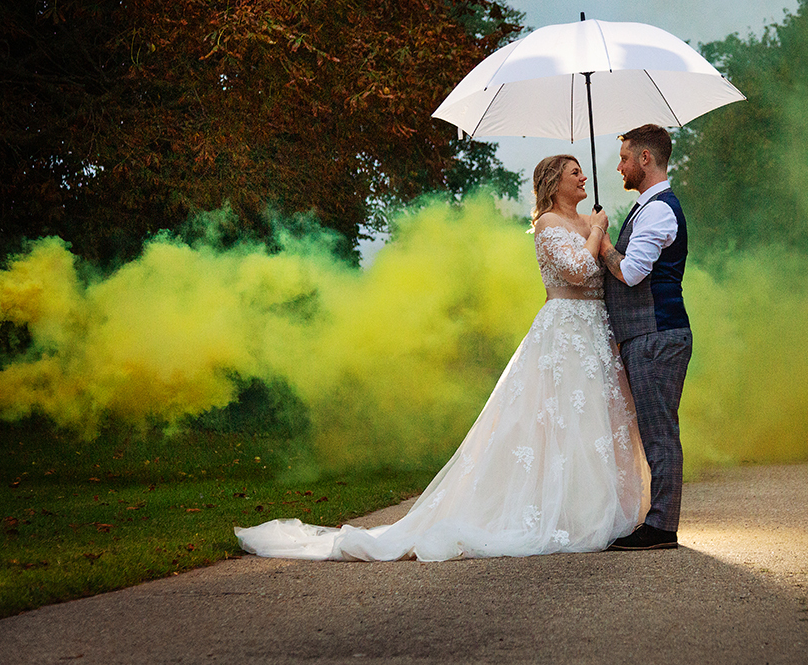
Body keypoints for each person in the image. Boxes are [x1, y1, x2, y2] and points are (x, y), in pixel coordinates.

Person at [234, 155, 649, 561]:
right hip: (563, 332)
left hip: (596, 330)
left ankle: (589, 511)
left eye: (582, 172)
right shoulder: (548, 223)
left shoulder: (588, 222)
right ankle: (551, 514)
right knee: (555, 420)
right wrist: (596, 232)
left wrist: (602, 236)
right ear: (553, 182)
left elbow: (610, 271)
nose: (583, 178)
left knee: (594, 419)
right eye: (574, 173)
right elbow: (576, 270)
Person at [598, 124, 692, 551]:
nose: (619, 167)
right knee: (655, 430)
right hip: (648, 335)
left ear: (645, 160)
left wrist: (601, 245)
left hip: (656, 336)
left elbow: (632, 273)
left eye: (624, 158)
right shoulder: (647, 207)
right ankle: (657, 522)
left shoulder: (658, 210)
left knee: (659, 432)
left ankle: (661, 528)